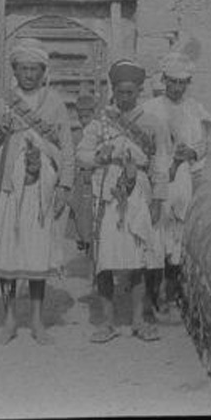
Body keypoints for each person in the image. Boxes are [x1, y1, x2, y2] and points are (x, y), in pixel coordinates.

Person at [0, 37, 75, 345]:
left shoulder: (55, 103)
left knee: (37, 253)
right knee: (9, 252)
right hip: (10, 188)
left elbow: (67, 147)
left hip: (41, 191)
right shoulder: (0, 103)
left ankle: (37, 320)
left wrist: (65, 184)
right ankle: (9, 319)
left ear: (43, 71)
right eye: (23, 68)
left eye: (35, 69)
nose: (29, 75)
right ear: (15, 70)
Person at [77, 59, 171, 343]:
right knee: (105, 259)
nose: (125, 97)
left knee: (138, 258)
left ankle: (138, 321)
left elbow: (161, 163)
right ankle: (108, 322)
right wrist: (99, 156)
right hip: (108, 192)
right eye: (120, 92)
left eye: (131, 92)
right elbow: (82, 154)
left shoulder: (152, 123)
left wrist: (158, 199)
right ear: (113, 91)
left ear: (139, 91)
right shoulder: (101, 122)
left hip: (138, 191)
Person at [141, 51, 211, 319]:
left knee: (176, 235)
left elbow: (204, 144)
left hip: (182, 177)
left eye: (181, 82)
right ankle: (149, 296)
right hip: (156, 176)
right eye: (172, 81)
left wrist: (191, 153)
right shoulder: (151, 108)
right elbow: (141, 140)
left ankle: (168, 295)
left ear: (188, 83)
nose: (176, 87)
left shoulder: (194, 109)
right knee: (153, 235)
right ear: (164, 80)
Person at [69, 93, 97, 253]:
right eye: (81, 117)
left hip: (94, 175)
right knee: (78, 207)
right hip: (81, 177)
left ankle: (89, 238)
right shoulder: (78, 134)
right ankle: (81, 237)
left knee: (91, 209)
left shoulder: (98, 130)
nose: (84, 120)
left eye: (87, 117)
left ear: (93, 114)